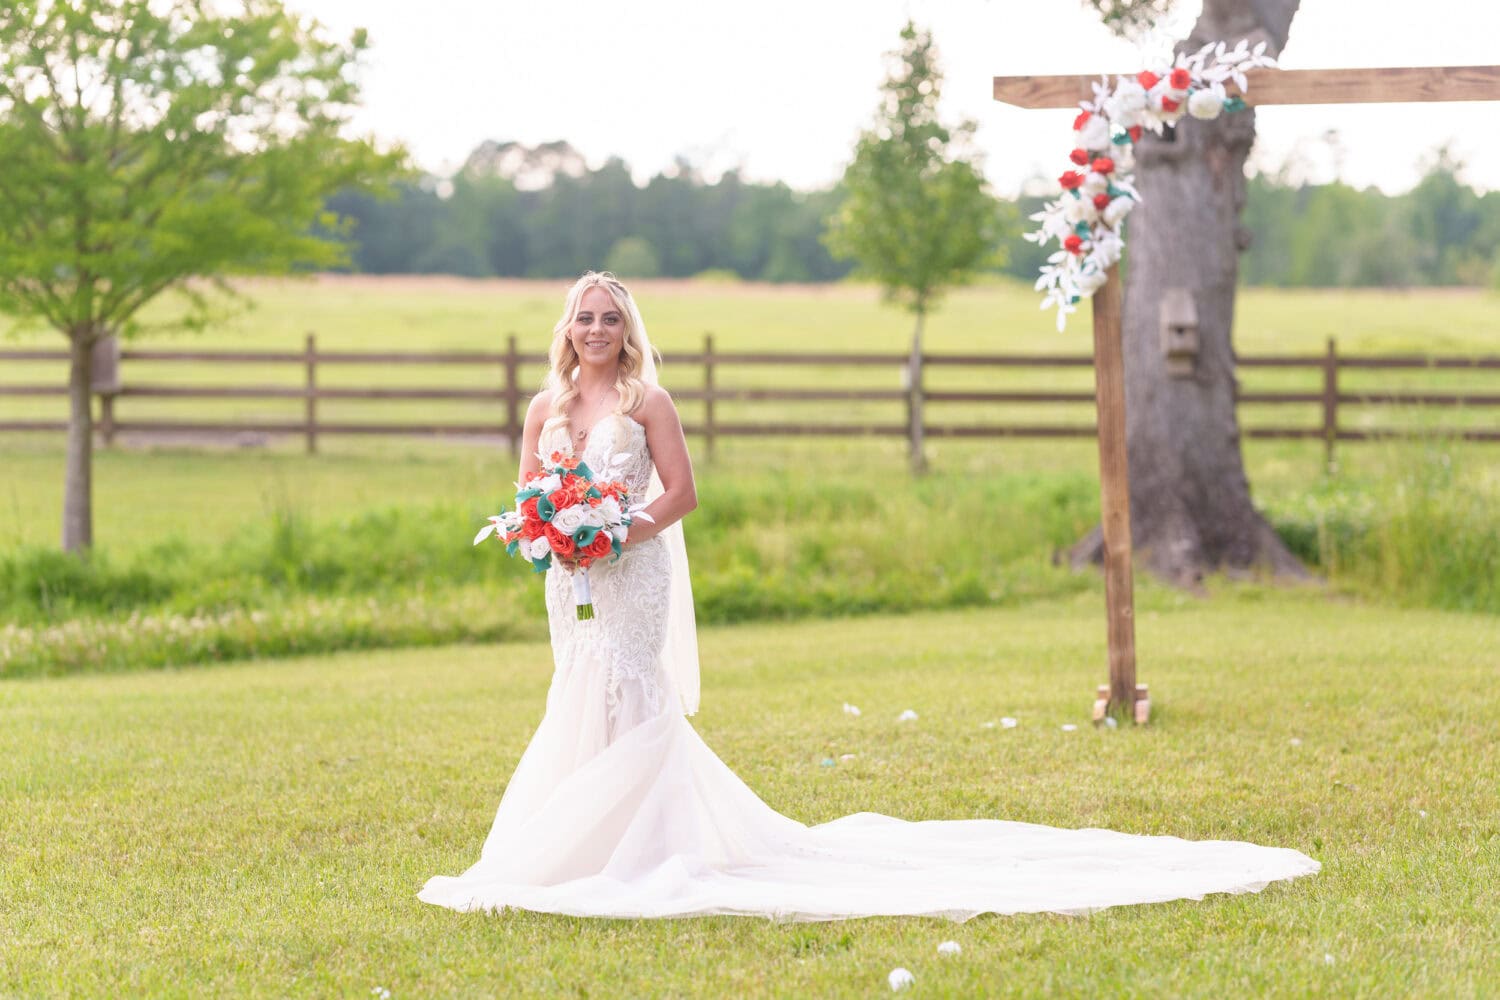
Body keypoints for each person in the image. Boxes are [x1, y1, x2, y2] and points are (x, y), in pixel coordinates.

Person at [417, 271, 1319, 920]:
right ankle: (577, 834)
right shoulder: (546, 408)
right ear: (567, 328)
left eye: (611, 318)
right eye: (585, 317)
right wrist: (551, 531)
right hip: (570, 581)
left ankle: (647, 845)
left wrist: (621, 531)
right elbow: (532, 491)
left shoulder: (650, 403)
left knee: (634, 690)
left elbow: (682, 495)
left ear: (630, 328)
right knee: (578, 687)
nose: (597, 330)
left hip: (632, 567)